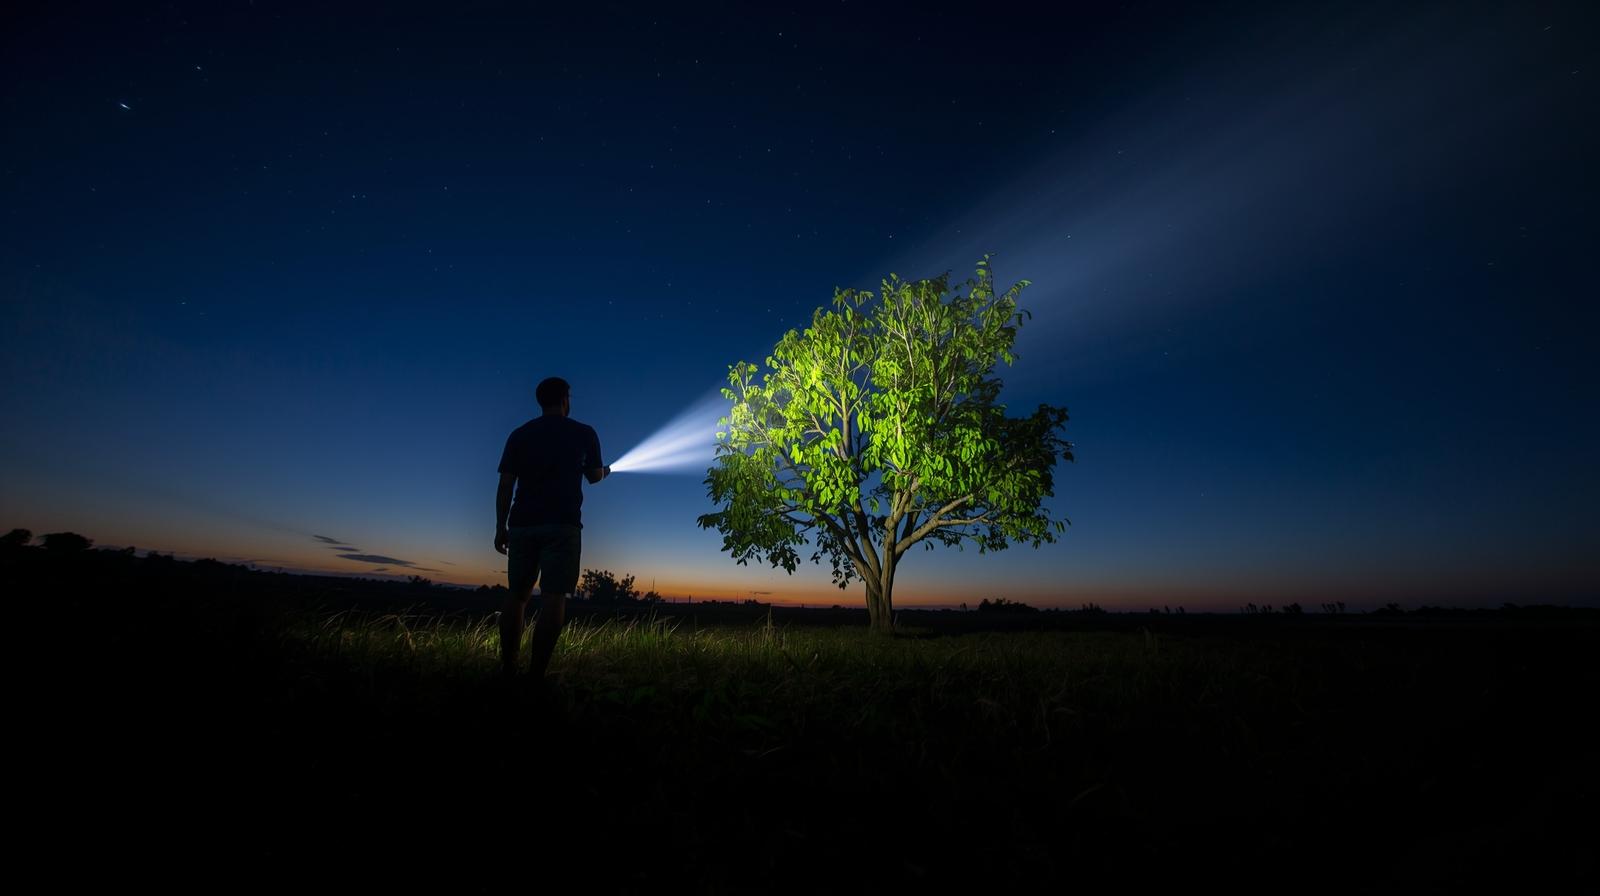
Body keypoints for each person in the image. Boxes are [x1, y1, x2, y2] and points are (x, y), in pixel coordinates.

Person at [494, 376, 609, 678]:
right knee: (554, 598)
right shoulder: (583, 433)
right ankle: (535, 675)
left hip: (522, 524)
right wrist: (606, 471)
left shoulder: (519, 435)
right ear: (565, 399)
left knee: (516, 596)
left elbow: (506, 484)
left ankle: (508, 668)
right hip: (562, 525)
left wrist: (500, 526)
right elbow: (595, 476)